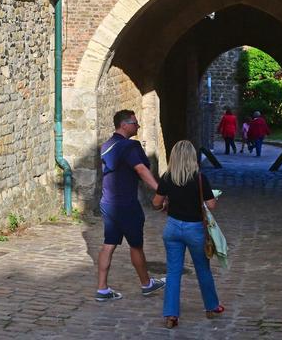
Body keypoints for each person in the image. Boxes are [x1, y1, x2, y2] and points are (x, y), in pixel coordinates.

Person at [95, 109, 166, 302]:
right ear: (124, 125)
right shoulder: (130, 146)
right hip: (126, 204)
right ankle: (146, 284)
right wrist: (161, 191)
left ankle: (102, 289)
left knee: (109, 244)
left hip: (108, 203)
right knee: (136, 245)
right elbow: (141, 169)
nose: (138, 126)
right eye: (135, 123)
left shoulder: (106, 146)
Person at [153, 140, 224, 329]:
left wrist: (166, 204)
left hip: (173, 228)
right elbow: (211, 205)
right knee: (203, 269)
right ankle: (212, 306)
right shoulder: (200, 179)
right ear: (192, 157)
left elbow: (156, 203)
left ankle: (171, 315)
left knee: (173, 272)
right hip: (195, 229)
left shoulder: (167, 177)